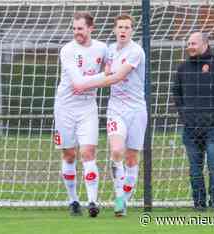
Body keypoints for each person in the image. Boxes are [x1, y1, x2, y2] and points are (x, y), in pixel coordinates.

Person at [73, 14, 147, 217]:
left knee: (132, 158)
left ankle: (124, 200)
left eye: (127, 27)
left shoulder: (136, 52)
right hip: (116, 109)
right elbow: (105, 70)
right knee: (116, 151)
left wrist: (84, 84)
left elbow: (117, 77)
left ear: (132, 31)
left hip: (136, 110)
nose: (123, 30)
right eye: (120, 27)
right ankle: (119, 197)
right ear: (114, 30)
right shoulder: (110, 50)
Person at [172, 32, 214, 211]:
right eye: (188, 43)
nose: (189, 46)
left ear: (205, 44)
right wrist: (184, 114)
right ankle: (199, 205)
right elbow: (176, 92)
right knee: (195, 170)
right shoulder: (182, 68)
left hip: (213, 128)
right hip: (190, 128)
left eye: (193, 43)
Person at [54, 11, 107, 217]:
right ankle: (73, 200)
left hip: (88, 108)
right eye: (74, 29)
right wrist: (106, 76)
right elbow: (78, 83)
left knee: (88, 153)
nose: (77, 33)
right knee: (69, 154)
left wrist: (111, 72)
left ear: (90, 28)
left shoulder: (102, 48)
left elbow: (114, 64)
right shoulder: (67, 50)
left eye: (81, 29)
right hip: (65, 108)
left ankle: (93, 201)